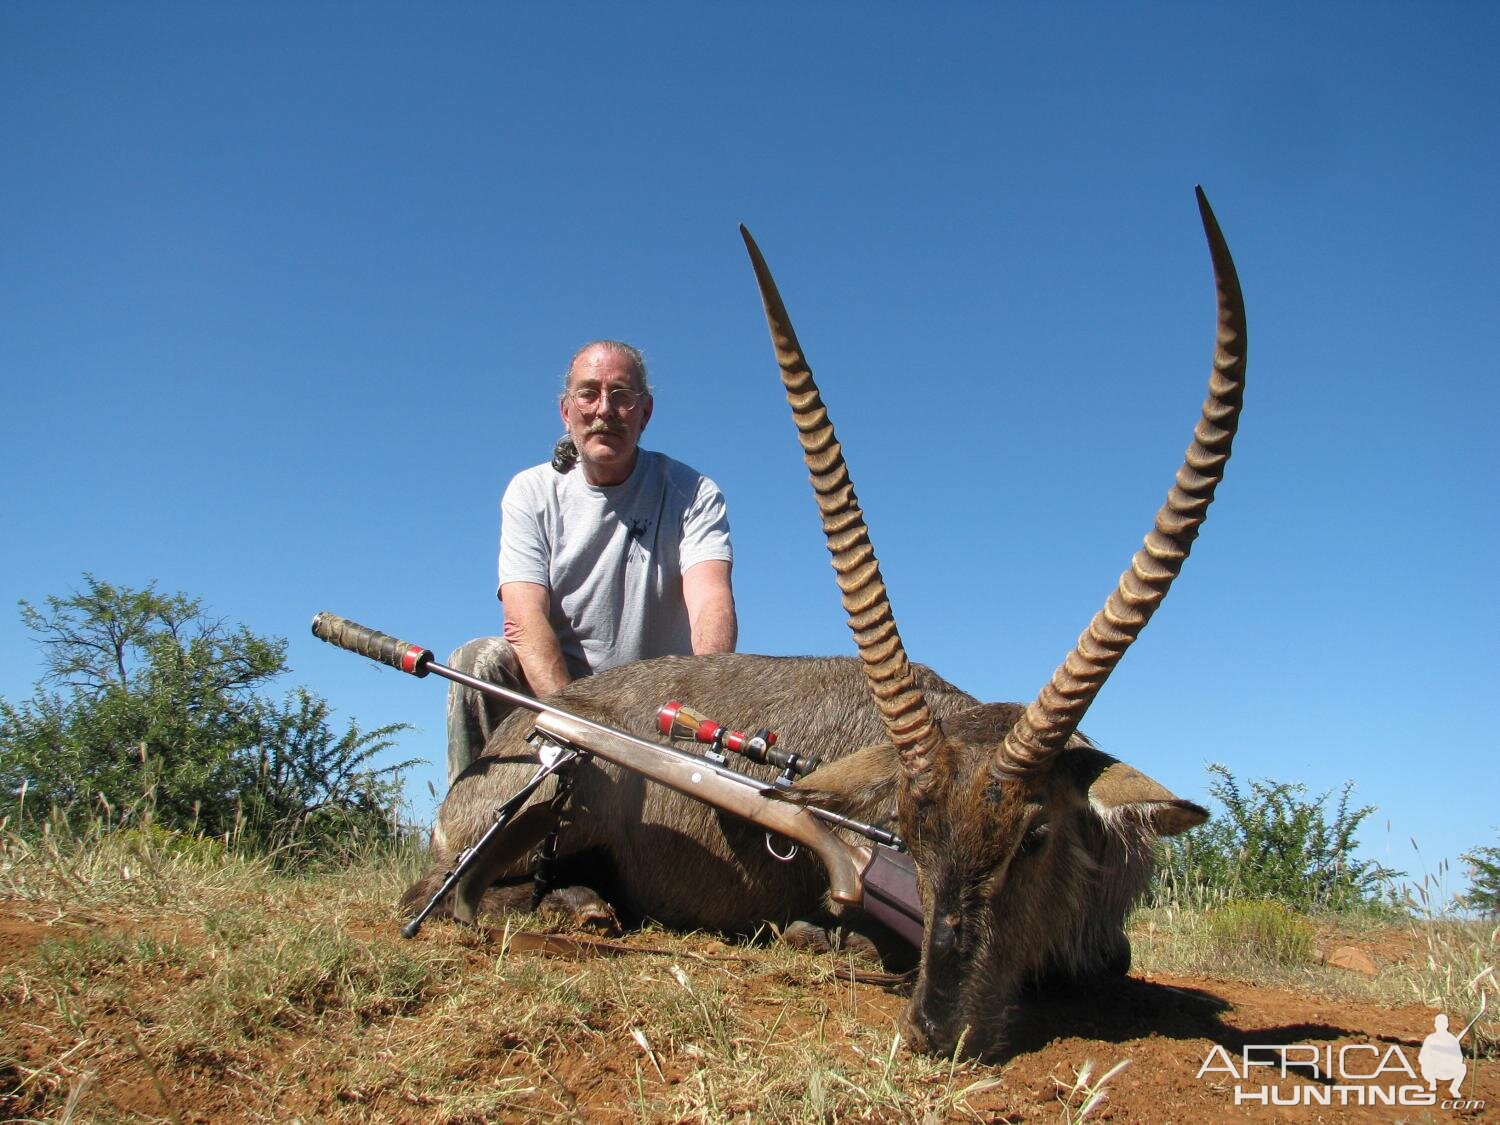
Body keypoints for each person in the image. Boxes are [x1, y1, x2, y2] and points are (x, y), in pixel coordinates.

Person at [445, 340, 737, 782]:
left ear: (645, 413)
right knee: (478, 661)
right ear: (566, 411)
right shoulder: (531, 492)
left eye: (622, 397)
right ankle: (468, 832)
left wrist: (700, 704)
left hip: (659, 698)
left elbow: (710, 600)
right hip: (560, 693)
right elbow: (523, 620)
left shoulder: (693, 492)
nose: (604, 410)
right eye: (589, 394)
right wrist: (578, 723)